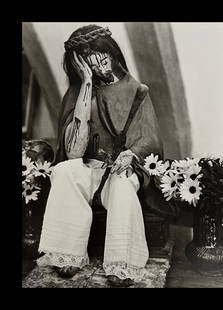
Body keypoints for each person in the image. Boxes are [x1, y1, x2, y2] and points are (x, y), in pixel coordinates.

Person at [37, 24, 163, 287]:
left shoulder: (138, 91)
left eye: (101, 60)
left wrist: (131, 155)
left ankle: (122, 264)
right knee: (64, 171)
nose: (98, 68)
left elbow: (150, 139)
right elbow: (73, 152)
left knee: (121, 185)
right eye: (89, 65)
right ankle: (67, 255)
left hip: (121, 167)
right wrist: (86, 85)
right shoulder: (77, 93)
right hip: (90, 166)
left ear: (112, 54)